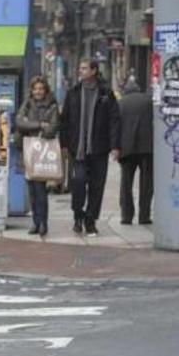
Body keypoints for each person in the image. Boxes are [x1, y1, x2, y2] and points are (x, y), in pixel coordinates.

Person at [59, 58, 121, 236]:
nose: (80, 70)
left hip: (99, 149)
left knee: (97, 186)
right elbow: (65, 120)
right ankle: (78, 215)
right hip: (77, 149)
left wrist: (115, 146)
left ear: (94, 71)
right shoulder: (73, 92)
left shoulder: (106, 93)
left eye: (84, 68)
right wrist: (64, 144)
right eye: (80, 68)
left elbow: (114, 121)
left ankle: (90, 220)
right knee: (78, 182)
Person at [16, 76, 61, 236]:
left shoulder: (52, 106)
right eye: (35, 89)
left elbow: (52, 129)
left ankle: (43, 223)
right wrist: (40, 125)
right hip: (28, 151)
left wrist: (30, 126)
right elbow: (19, 123)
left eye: (41, 89)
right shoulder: (27, 104)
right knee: (32, 191)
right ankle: (35, 222)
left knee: (40, 190)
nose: (38, 92)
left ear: (45, 90)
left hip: (43, 152)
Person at [118, 78, 153, 224]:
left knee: (126, 184)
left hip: (127, 148)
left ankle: (127, 216)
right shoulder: (148, 100)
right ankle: (144, 216)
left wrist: (115, 147)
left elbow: (116, 126)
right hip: (147, 147)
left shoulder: (121, 103)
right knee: (147, 183)